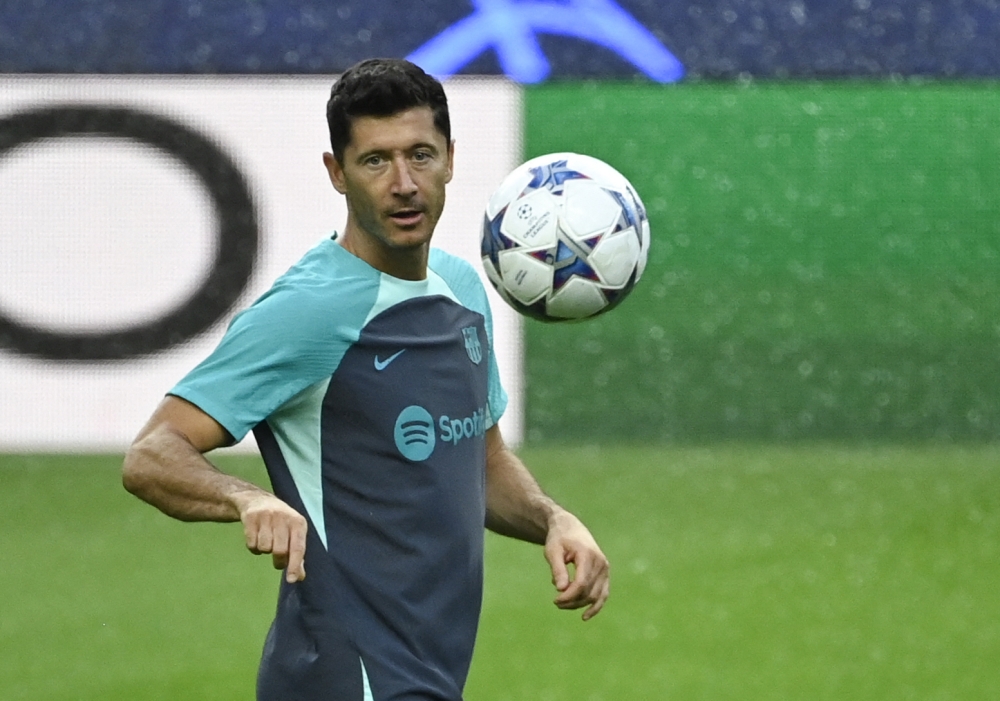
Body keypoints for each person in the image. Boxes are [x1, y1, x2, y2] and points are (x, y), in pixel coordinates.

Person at [122, 57, 609, 701]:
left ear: (452, 159)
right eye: (376, 161)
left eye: (421, 155)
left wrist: (553, 519)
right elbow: (152, 454)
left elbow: (481, 462)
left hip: (426, 675)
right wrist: (248, 499)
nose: (404, 183)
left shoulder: (463, 290)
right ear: (337, 173)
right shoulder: (308, 313)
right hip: (345, 678)